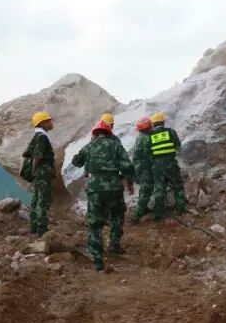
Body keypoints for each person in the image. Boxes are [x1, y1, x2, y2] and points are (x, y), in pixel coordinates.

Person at [71, 120, 135, 271]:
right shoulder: (116, 145)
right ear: (109, 132)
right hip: (114, 187)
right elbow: (128, 166)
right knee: (117, 215)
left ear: (95, 133)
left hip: (95, 188)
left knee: (95, 223)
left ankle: (97, 259)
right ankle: (114, 244)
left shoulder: (90, 146)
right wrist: (129, 182)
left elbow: (76, 162)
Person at [149, 112, 186, 221]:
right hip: (171, 164)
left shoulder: (150, 136)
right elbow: (178, 146)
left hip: (157, 166)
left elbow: (148, 153)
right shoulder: (170, 132)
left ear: (153, 124)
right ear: (163, 122)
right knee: (177, 186)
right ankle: (180, 209)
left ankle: (158, 214)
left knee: (159, 189)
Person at [28, 111, 55, 236]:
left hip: (40, 172)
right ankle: (41, 229)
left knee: (36, 199)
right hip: (43, 172)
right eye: (48, 121)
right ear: (42, 123)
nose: (51, 123)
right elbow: (37, 156)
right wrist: (33, 171)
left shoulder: (38, 136)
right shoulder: (42, 137)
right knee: (43, 200)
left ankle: (34, 227)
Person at [131, 117, 154, 224]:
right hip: (144, 168)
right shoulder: (147, 138)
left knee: (144, 189)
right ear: (148, 127)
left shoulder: (140, 137)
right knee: (146, 190)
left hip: (139, 168)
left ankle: (143, 209)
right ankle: (136, 216)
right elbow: (149, 155)